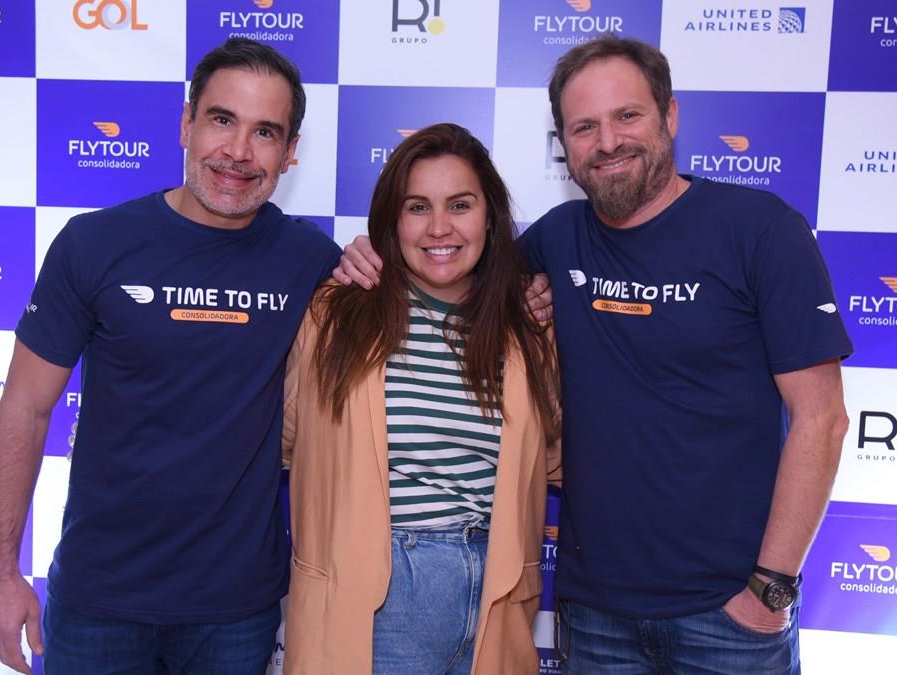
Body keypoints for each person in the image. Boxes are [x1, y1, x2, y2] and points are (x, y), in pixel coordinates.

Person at [335, 36, 853, 674]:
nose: (608, 142)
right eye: (585, 127)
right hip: (595, 617)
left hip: (730, 616)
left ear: (670, 115)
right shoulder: (558, 238)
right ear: (564, 143)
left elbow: (823, 420)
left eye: (627, 116)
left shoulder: (760, 229)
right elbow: (450, 263)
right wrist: (371, 253)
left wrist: (770, 589)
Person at [0, 38, 343, 675]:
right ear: (186, 124)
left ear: (290, 152)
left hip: (234, 612)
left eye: (265, 132)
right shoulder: (94, 243)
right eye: (222, 120)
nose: (238, 151)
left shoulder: (310, 260)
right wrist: (0, 573)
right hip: (98, 599)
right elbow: (26, 408)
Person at [282, 123, 561, 674]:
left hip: (497, 598)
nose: (439, 227)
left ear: (489, 217)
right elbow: (287, 441)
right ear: (392, 220)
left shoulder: (528, 325)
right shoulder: (335, 313)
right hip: (380, 598)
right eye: (417, 207)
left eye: (460, 205)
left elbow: (552, 458)